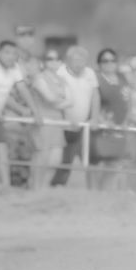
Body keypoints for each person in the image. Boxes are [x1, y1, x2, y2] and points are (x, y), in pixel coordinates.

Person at [0, 40, 42, 188]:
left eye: (14, 53)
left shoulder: (15, 69)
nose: (10, 56)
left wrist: (35, 112)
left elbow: (22, 89)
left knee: (1, 150)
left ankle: (6, 186)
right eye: (7, 52)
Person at [50, 46, 100, 187]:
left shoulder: (90, 73)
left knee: (85, 158)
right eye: (76, 60)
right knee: (62, 158)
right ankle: (53, 185)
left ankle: (91, 189)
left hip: (83, 125)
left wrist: (95, 117)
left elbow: (95, 96)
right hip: (63, 126)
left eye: (82, 60)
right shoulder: (60, 73)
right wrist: (63, 119)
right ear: (68, 60)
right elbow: (56, 97)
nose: (79, 63)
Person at [89, 48, 131, 190]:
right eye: (105, 61)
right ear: (99, 64)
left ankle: (105, 192)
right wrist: (102, 121)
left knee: (115, 164)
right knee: (97, 163)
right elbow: (93, 101)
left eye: (112, 60)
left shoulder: (123, 79)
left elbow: (128, 102)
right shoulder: (97, 79)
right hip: (102, 129)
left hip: (119, 129)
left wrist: (126, 121)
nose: (109, 63)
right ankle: (94, 193)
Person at [30, 50, 72, 188]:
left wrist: (57, 101)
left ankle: (44, 187)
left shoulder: (62, 80)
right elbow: (50, 98)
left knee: (55, 160)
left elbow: (71, 101)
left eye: (56, 58)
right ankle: (35, 187)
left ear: (60, 62)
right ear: (44, 61)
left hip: (57, 122)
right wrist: (60, 99)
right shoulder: (39, 78)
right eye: (49, 58)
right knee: (42, 157)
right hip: (43, 122)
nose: (53, 61)